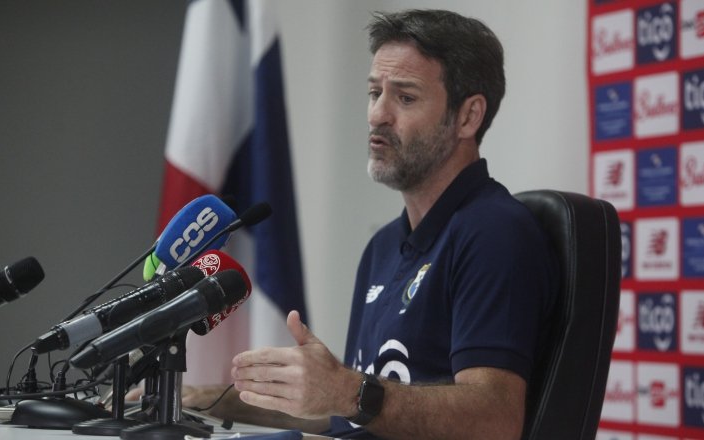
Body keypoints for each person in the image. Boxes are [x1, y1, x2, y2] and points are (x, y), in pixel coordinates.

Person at [176, 9, 557, 439]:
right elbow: (353, 415)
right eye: (375, 92)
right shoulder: (384, 245)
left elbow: (495, 419)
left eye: (405, 97)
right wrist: (203, 397)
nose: (378, 115)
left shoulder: (494, 232)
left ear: (468, 117)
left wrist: (349, 391)